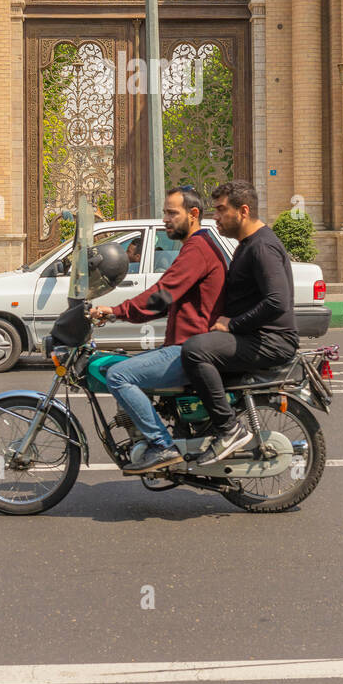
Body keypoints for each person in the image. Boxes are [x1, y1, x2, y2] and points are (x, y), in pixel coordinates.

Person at [89, 187, 226, 476]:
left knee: (118, 374)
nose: (165, 219)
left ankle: (162, 445)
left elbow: (162, 295)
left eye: (171, 213)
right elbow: (169, 303)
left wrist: (115, 311)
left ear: (194, 214)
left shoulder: (198, 249)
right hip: (186, 346)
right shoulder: (194, 247)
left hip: (189, 350)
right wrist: (118, 314)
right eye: (165, 212)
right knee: (123, 363)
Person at [181, 180, 299, 467]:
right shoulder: (247, 244)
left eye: (221, 210)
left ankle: (229, 429)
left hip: (271, 341)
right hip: (257, 336)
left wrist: (232, 325)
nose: (216, 217)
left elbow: (277, 302)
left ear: (243, 211)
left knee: (195, 351)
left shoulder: (262, 247)